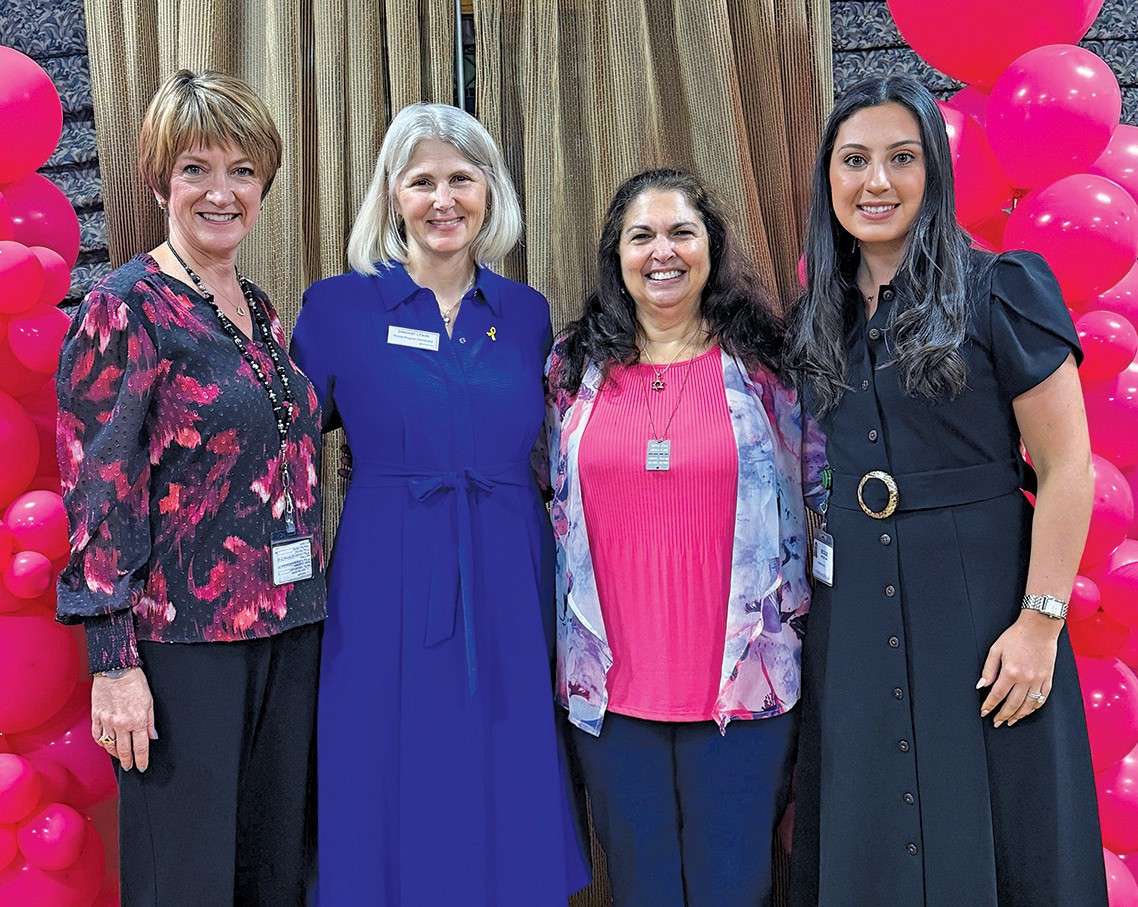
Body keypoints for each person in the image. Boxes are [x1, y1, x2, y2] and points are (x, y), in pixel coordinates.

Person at [785, 75, 1106, 905]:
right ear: (829, 177)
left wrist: (1039, 625)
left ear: (935, 172)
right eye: (854, 161)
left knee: (1004, 823)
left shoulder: (1005, 287)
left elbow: (1069, 465)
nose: (877, 182)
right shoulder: (814, 316)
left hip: (982, 605)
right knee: (868, 834)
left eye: (902, 158)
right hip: (851, 611)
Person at [291, 102, 590, 906]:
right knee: (385, 748)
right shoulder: (337, 308)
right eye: (422, 180)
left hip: (505, 558)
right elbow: (279, 455)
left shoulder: (526, 314)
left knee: (502, 742)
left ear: (490, 190)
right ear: (393, 195)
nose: (443, 199)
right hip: (386, 564)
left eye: (462, 178)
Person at [55, 70, 326, 905]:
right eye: (197, 169)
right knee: (188, 881)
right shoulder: (124, 305)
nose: (222, 191)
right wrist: (113, 666)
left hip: (291, 626)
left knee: (271, 875)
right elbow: (96, 486)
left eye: (242, 170)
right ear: (160, 179)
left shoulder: (259, 306)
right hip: (183, 646)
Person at [544, 168, 827, 906]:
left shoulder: (771, 367)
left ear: (711, 246)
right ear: (617, 255)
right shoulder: (570, 367)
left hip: (744, 684)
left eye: (681, 232)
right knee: (640, 888)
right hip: (609, 691)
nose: (661, 251)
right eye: (641, 235)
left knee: (735, 885)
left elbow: (825, 485)